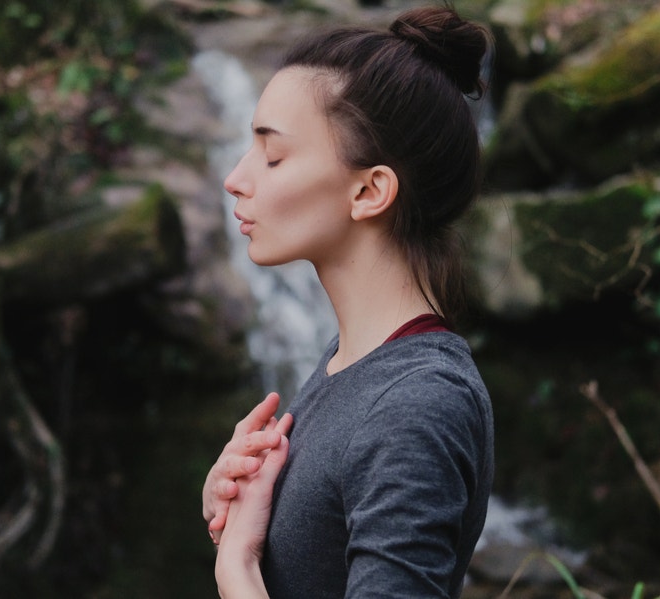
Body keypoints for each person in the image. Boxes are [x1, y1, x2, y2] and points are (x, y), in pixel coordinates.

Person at [202, 6, 495, 598]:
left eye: (273, 156)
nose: (235, 178)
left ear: (369, 191)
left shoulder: (416, 404)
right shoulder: (353, 363)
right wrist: (238, 514)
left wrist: (237, 569)